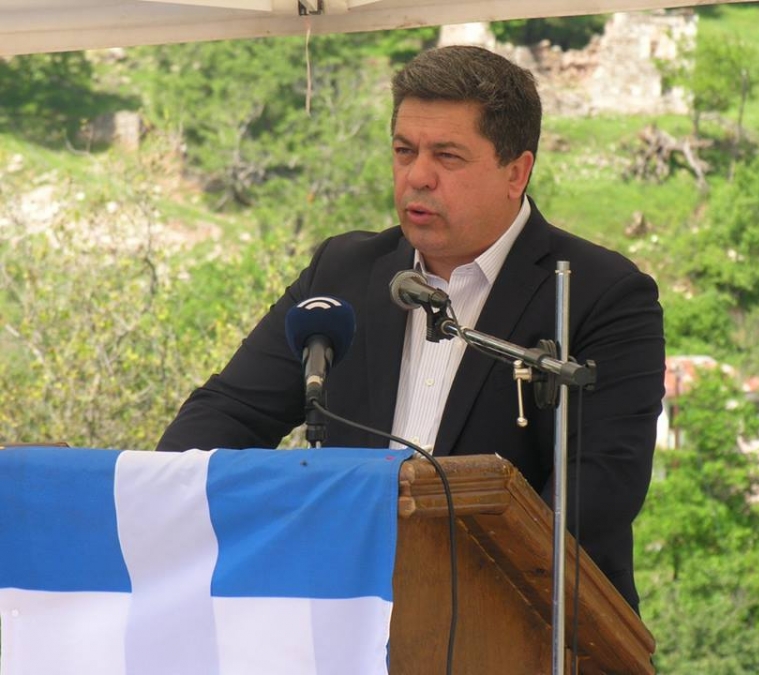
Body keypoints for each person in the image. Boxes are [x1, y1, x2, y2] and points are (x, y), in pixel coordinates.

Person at [156, 45, 666, 614]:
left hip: (525, 623)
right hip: (345, 617)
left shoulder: (601, 295)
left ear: (516, 172)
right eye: (404, 151)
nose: (417, 176)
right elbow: (229, 413)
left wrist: (436, 594)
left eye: (447, 156)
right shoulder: (344, 272)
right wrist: (154, 500)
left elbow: (595, 495)